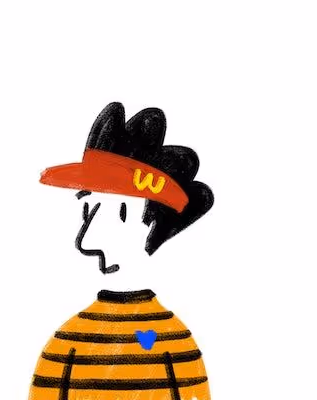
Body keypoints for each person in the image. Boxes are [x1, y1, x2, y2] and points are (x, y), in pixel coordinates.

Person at [29, 102, 214, 400]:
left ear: (152, 226)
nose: (87, 240)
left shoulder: (175, 345)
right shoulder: (67, 346)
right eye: (87, 213)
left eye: (117, 214)